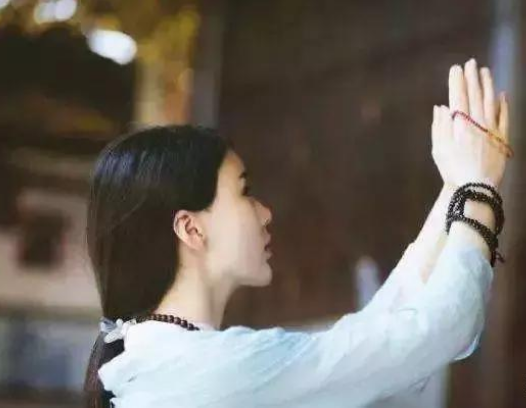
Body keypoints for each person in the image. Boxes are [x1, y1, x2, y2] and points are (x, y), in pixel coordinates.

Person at [83, 59, 511, 408]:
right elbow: (435, 331)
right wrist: (480, 186)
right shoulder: (216, 371)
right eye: (244, 192)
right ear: (191, 228)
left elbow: (374, 337)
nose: (265, 212)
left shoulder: (170, 362)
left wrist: (456, 187)